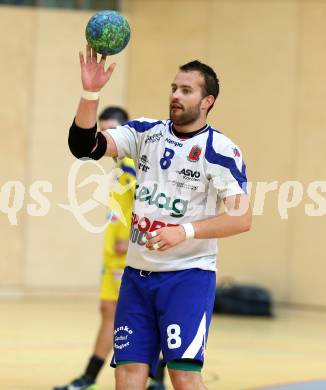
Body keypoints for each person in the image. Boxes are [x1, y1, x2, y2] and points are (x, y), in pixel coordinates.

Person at [68, 45, 252, 390]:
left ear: (207, 100)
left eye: (186, 90)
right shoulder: (145, 132)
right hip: (137, 278)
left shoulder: (221, 151)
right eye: (173, 88)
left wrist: (182, 231)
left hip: (187, 277)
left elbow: (241, 218)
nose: (176, 95)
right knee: (128, 374)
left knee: (182, 375)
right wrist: (90, 92)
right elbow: (84, 146)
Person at [54, 106, 166, 390]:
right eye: (100, 130)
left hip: (129, 252)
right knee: (109, 311)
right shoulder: (119, 167)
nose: (104, 136)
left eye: (109, 130)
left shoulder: (133, 165)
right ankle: (94, 376)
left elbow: (149, 204)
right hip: (113, 256)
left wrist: (131, 236)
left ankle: (152, 377)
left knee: (144, 314)